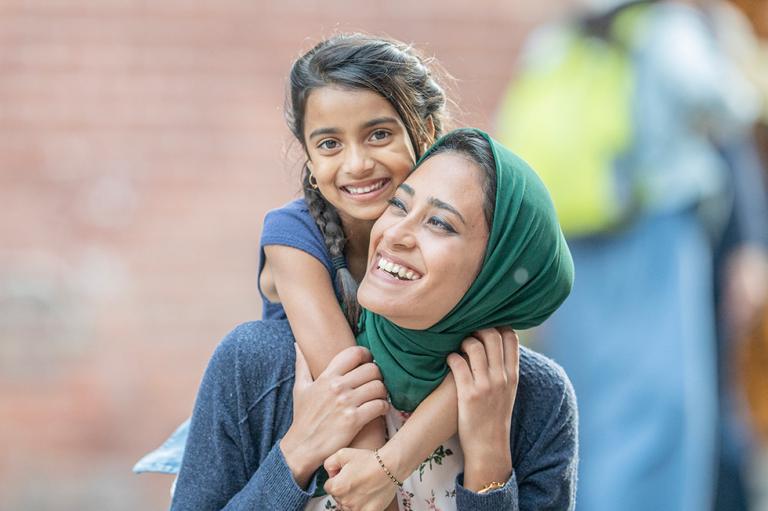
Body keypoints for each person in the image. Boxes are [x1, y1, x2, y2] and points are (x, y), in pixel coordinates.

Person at [169, 128, 578, 510]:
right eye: (399, 204)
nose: (396, 232)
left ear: (499, 272)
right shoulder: (260, 362)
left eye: (439, 223)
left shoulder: (537, 400)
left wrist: (490, 461)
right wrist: (294, 455)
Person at [496, 1, 761, 510]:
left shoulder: (558, 41)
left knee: (585, 402)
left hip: (572, 243)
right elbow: (731, 103)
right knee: (663, 409)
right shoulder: (666, 28)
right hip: (654, 235)